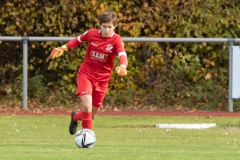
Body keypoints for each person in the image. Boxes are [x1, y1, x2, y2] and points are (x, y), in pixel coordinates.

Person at [50, 11, 128, 135]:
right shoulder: (91, 33)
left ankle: (75, 117)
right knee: (87, 106)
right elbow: (77, 40)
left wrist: (123, 66)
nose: (107, 30)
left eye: (110, 27)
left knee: (91, 115)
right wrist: (64, 48)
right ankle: (87, 138)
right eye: (104, 26)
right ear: (100, 25)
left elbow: (122, 55)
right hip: (86, 74)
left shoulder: (116, 40)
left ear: (114, 26)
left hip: (103, 80)